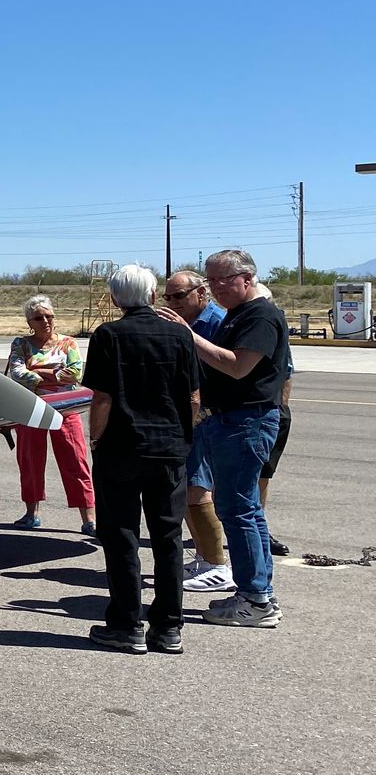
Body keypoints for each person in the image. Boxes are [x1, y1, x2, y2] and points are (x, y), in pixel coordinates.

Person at [156, 248, 291, 628]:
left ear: (247, 278)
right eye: (211, 279)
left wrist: (187, 335)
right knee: (245, 510)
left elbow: (237, 367)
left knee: (239, 510)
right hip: (231, 423)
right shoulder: (238, 315)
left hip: (245, 424)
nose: (215, 287)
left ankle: (256, 599)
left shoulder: (260, 316)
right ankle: (257, 593)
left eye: (222, 279)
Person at [80, 265, 199, 654]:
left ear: (116, 299)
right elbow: (194, 397)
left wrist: (95, 439)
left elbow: (102, 398)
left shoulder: (108, 335)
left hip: (121, 448)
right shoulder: (181, 335)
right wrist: (185, 437)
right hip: (169, 449)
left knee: (121, 536)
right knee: (168, 539)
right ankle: (168, 627)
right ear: (151, 295)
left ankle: (126, 623)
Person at [159, 269, 231, 591]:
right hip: (190, 417)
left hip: (209, 416)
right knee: (188, 488)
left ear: (201, 294)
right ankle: (204, 557)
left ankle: (218, 565)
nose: (173, 302)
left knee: (197, 490)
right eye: (168, 297)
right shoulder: (181, 323)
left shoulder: (216, 323)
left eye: (179, 296)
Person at [6, 296, 96, 534]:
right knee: (30, 461)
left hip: (66, 409)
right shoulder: (21, 344)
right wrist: (51, 374)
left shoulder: (68, 343)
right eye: (38, 318)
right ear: (29, 322)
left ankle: (89, 518)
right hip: (31, 408)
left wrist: (37, 371)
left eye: (49, 316)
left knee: (76, 461)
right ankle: (31, 513)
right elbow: (17, 372)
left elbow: (75, 373)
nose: (45, 321)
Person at [253, 284, 296, 557]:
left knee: (263, 475)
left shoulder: (275, 330)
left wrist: (279, 410)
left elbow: (288, 372)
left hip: (271, 413)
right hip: (242, 416)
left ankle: (259, 529)